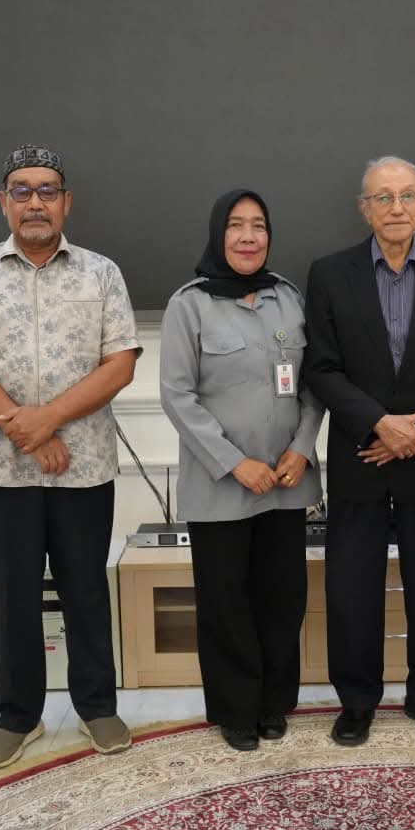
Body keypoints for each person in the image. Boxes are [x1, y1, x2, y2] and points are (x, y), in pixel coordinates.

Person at [0, 144, 141, 767]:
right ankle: (18, 716)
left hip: (84, 469)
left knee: (86, 592)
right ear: (4, 201)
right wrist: (24, 428)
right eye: (21, 191)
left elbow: (120, 363)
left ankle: (97, 708)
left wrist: (49, 419)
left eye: (47, 190)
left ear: (65, 202)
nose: (34, 202)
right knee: (13, 598)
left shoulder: (101, 272)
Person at [304, 156, 415, 746]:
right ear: (365, 209)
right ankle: (357, 702)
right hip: (360, 456)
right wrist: (380, 425)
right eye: (383, 197)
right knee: (351, 588)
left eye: (407, 196)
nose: (396, 208)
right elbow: (321, 368)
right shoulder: (329, 275)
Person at [159, 189, 323, 751]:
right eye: (236, 225)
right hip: (220, 485)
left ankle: (274, 703)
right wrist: (235, 464)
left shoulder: (289, 299)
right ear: (218, 233)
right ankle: (236, 709)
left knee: (282, 598)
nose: (248, 237)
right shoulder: (189, 305)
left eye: (258, 226)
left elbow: (313, 384)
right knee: (226, 601)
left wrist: (302, 447)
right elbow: (177, 396)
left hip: (286, 480)